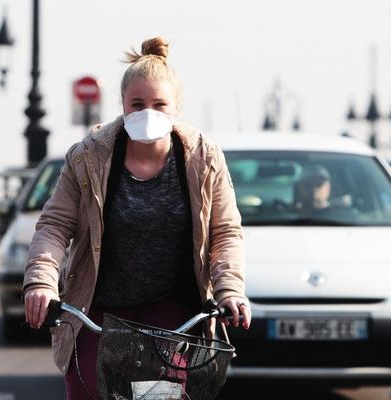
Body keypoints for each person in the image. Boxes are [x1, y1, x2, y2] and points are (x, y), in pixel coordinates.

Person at [23, 37, 251, 399]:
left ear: (176, 106)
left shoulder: (203, 159)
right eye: (138, 104)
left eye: (160, 104)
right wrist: (41, 283)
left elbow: (224, 232)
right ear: (123, 105)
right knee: (87, 390)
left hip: (170, 315)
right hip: (97, 311)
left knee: (159, 396)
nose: (149, 113)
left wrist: (229, 289)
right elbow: (55, 226)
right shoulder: (88, 158)